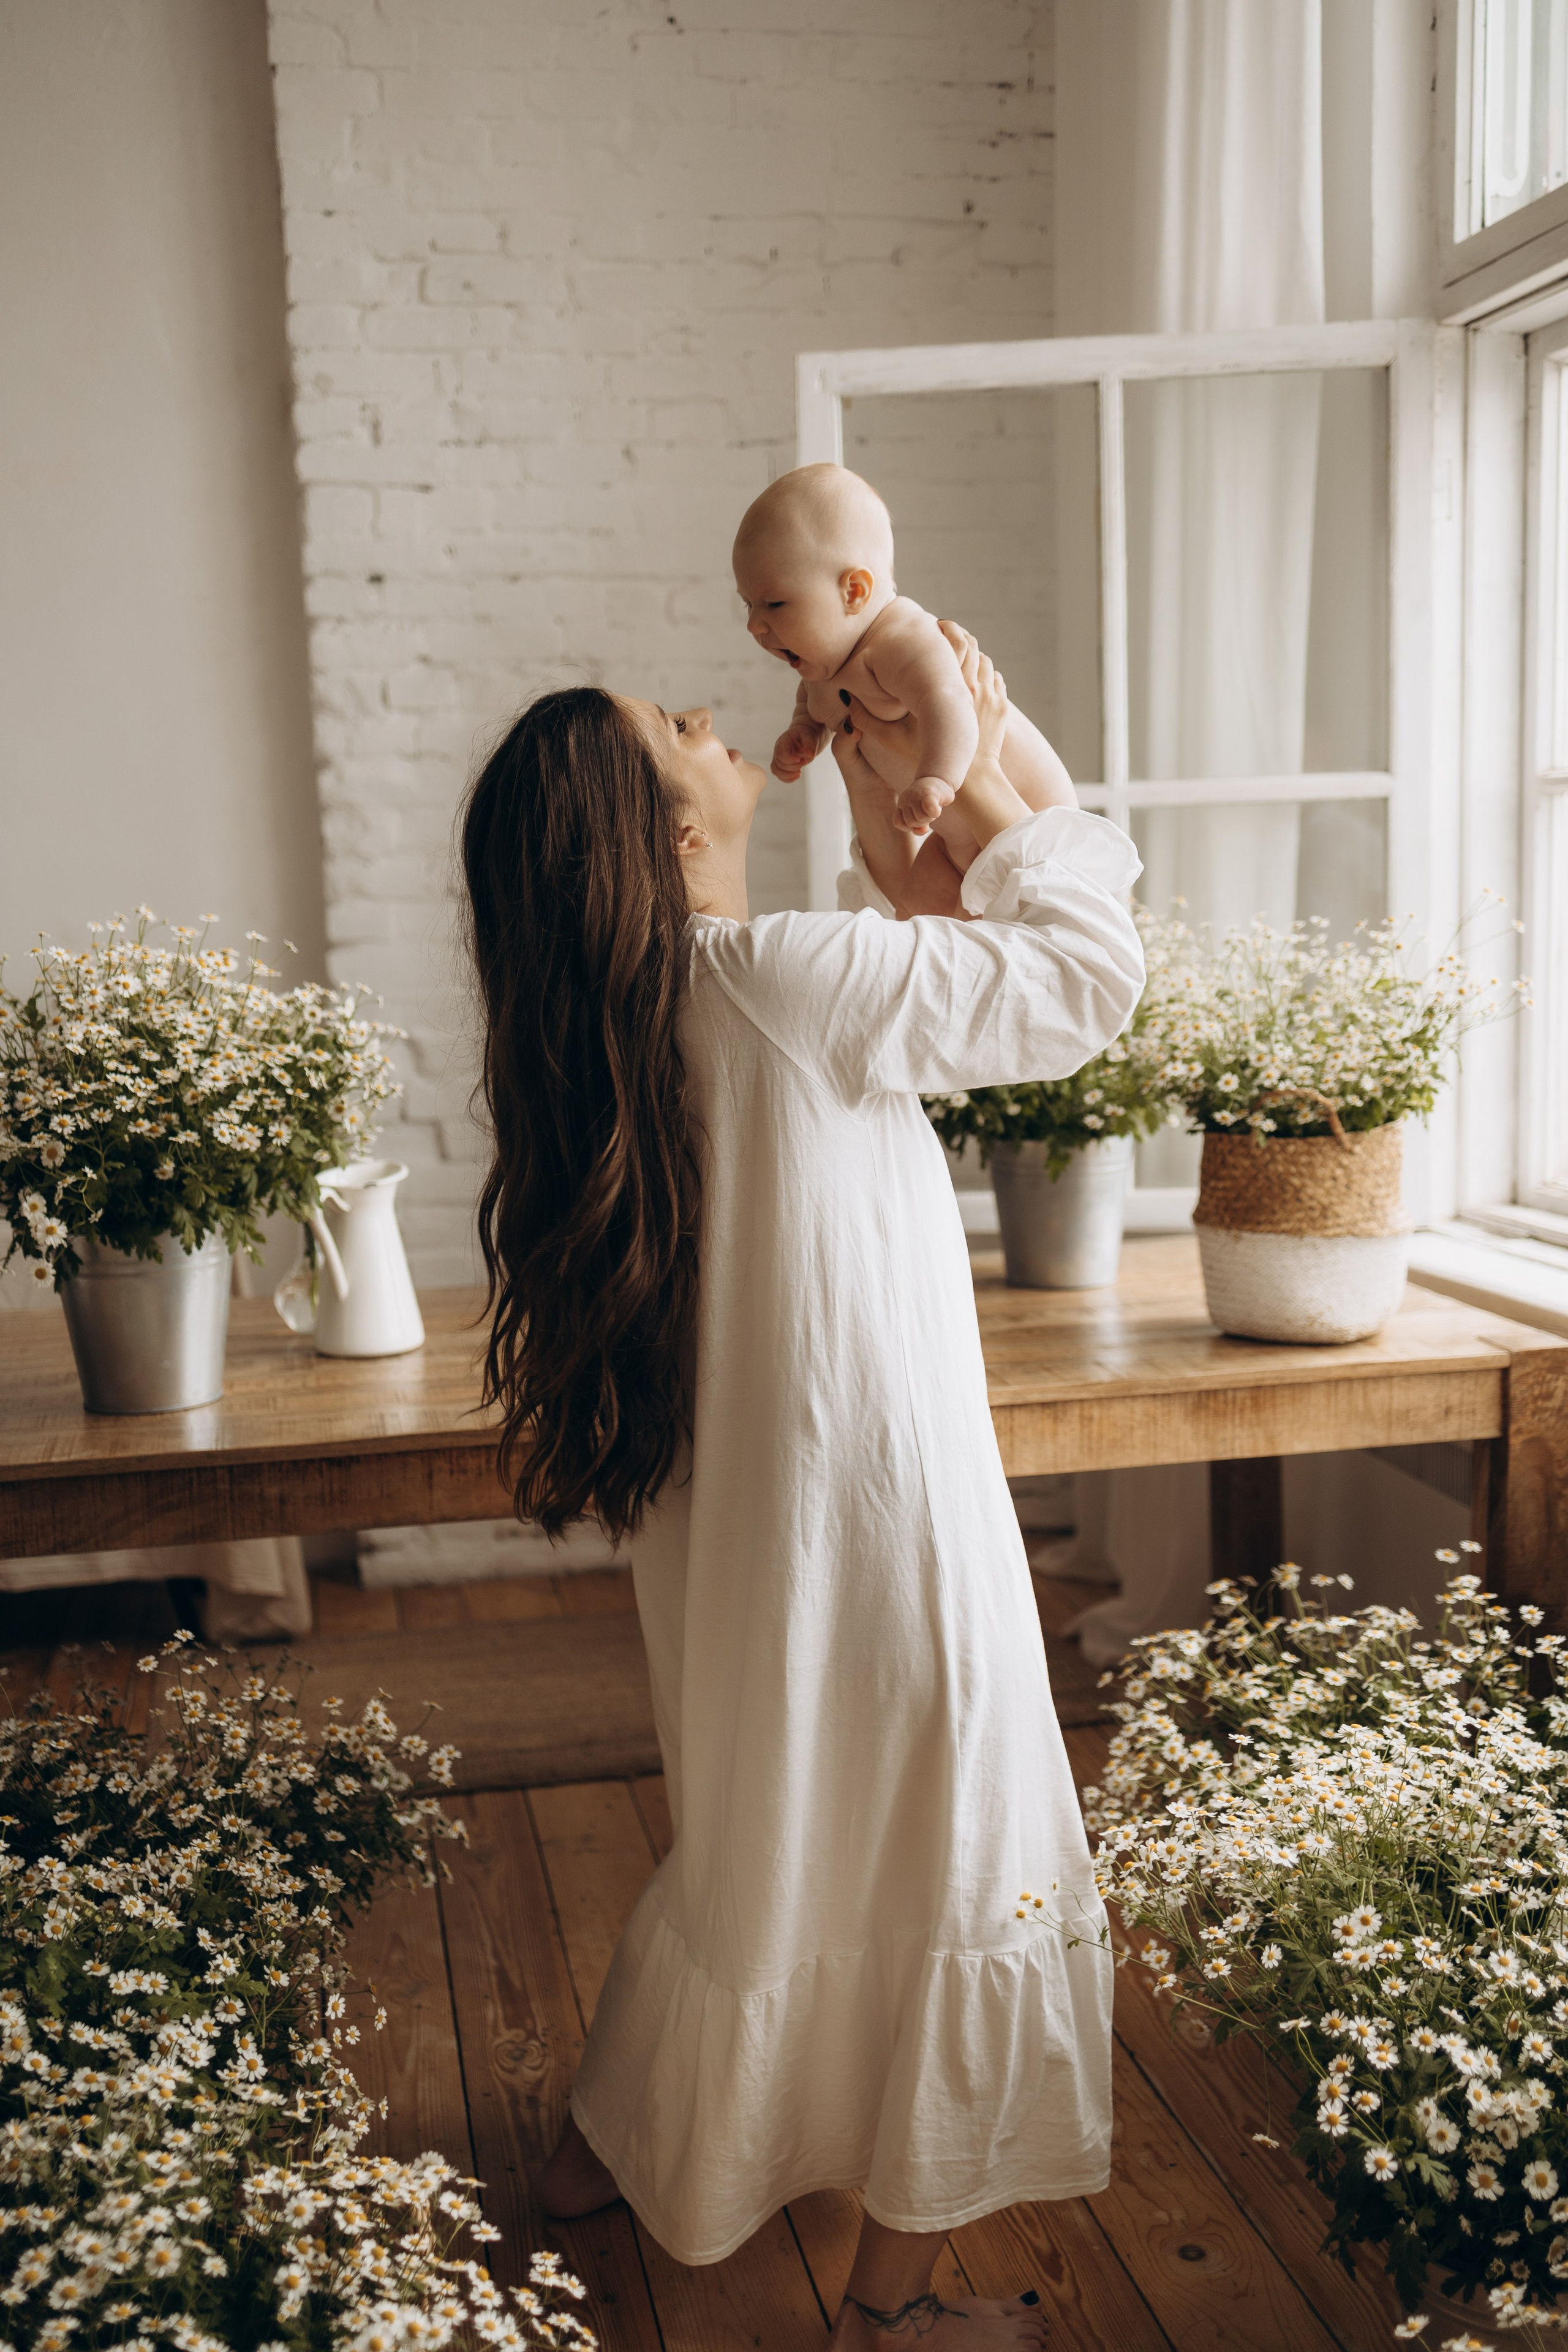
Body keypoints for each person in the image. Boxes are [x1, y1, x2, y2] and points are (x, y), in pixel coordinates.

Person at [459, 638, 1144, 2351]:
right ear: (659, 833)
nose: (706, 716)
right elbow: (1088, 980)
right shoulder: (788, 980)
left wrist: (900, 787)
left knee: (763, 1833)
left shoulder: (640, 1022)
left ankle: (599, 2167)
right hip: (889, 1522)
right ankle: (894, 2317)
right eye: (673, 734)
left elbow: (908, 962)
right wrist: (989, 744)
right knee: (954, 1853)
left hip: (749, 1534)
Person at [734, 464, 1076, 916]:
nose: (755, 624)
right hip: (953, 837)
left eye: (774, 603)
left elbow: (948, 702)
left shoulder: (898, 639)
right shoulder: (826, 664)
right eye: (749, 604)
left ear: (854, 591)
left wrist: (935, 777)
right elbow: (814, 702)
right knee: (911, 921)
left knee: (1037, 919)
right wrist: (805, 732)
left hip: (1024, 816)